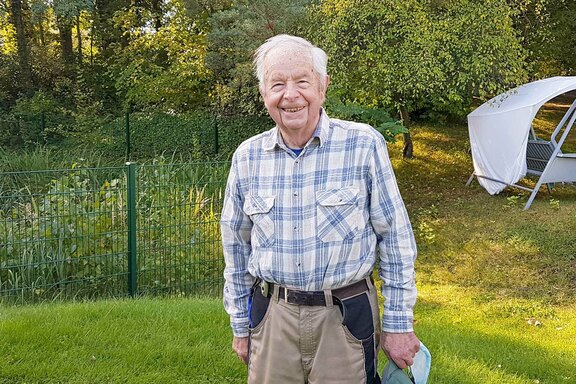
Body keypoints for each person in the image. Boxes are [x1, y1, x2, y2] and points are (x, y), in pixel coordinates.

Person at [221, 34, 420, 384]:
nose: (290, 95)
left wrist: (399, 325)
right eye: (277, 84)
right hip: (272, 317)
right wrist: (241, 325)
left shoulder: (363, 145)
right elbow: (235, 248)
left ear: (323, 86)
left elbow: (396, 239)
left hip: (345, 318)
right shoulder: (247, 157)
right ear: (264, 93)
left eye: (302, 81)